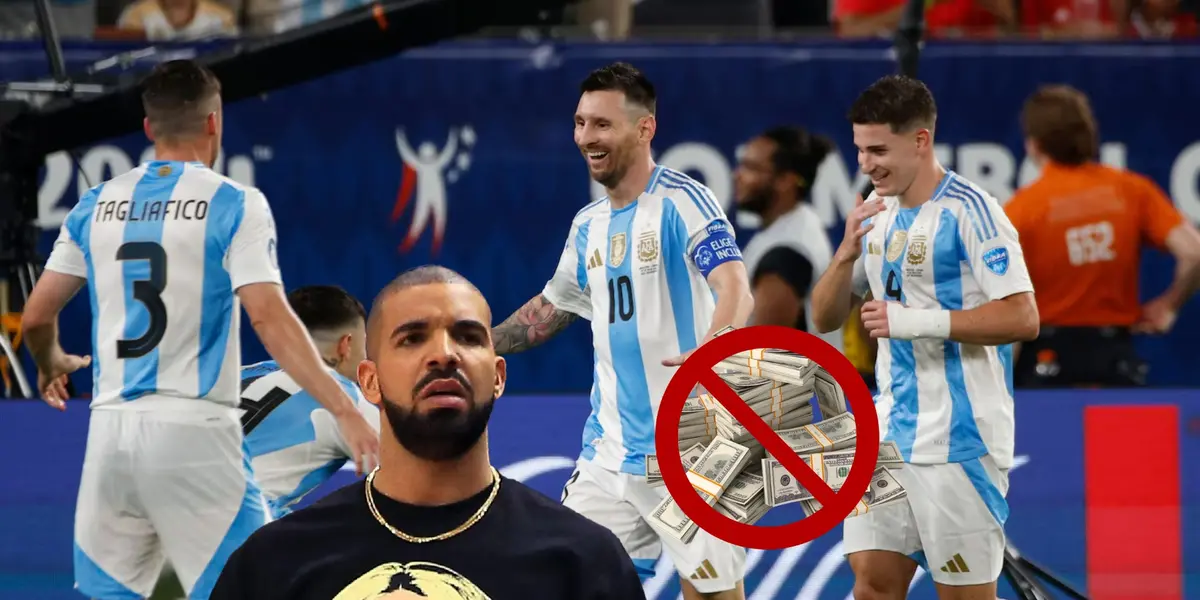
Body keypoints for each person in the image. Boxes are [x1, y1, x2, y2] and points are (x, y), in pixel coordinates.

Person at [18, 59, 379, 600]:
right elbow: (268, 317)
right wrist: (345, 409)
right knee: (251, 583)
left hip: (111, 435)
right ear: (214, 122)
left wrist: (50, 362)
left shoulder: (95, 204)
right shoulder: (234, 202)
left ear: (149, 128)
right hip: (194, 431)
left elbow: (36, 317)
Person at [211, 265, 647, 600]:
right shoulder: (272, 563)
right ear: (369, 382)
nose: (443, 354)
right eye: (412, 338)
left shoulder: (582, 562)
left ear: (498, 376)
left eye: (467, 337)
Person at [492, 62, 755, 600]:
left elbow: (735, 286)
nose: (586, 137)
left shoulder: (682, 201)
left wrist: (711, 349)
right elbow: (551, 310)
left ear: (644, 128)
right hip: (610, 457)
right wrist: (475, 345)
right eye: (580, 123)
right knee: (569, 586)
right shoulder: (587, 224)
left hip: (693, 451)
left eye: (602, 124)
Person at [809, 74, 1040, 600]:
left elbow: (1023, 317)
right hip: (889, 435)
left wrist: (917, 322)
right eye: (860, 150)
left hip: (960, 441)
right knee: (872, 587)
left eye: (877, 151)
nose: (865, 164)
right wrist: (845, 254)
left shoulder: (972, 212)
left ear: (920, 140)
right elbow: (823, 317)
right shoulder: (876, 210)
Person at [1004, 84, 1200, 387]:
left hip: (1046, 364)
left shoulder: (1021, 209)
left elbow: (1008, 306)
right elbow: (1194, 252)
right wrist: (1169, 306)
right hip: (1115, 362)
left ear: (1034, 145)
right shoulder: (1132, 191)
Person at [240, 285, 382, 516]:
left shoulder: (236, 375)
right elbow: (410, 482)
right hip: (229, 527)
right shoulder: (344, 399)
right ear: (346, 345)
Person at [733, 125, 842, 350]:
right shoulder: (791, 228)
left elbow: (764, 351)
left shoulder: (787, 251)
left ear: (786, 180)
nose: (737, 175)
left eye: (752, 168)